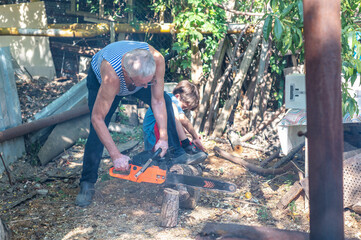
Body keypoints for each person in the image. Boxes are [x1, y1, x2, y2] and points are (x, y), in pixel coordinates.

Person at [76, 40, 206, 207]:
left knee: (166, 100)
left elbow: (157, 101)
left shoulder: (157, 60)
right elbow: (97, 119)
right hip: (103, 80)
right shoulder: (112, 77)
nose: (146, 87)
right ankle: (87, 183)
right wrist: (116, 155)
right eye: (142, 83)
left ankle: (176, 154)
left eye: (149, 82)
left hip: (135, 75)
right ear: (126, 74)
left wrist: (164, 138)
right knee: (97, 132)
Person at [143, 80, 207, 155]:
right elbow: (183, 119)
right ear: (177, 96)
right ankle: (186, 146)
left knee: (184, 133)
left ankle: (185, 147)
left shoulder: (169, 97)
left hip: (153, 135)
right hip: (153, 136)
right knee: (173, 108)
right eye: (183, 107)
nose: (182, 110)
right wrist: (195, 136)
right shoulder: (171, 98)